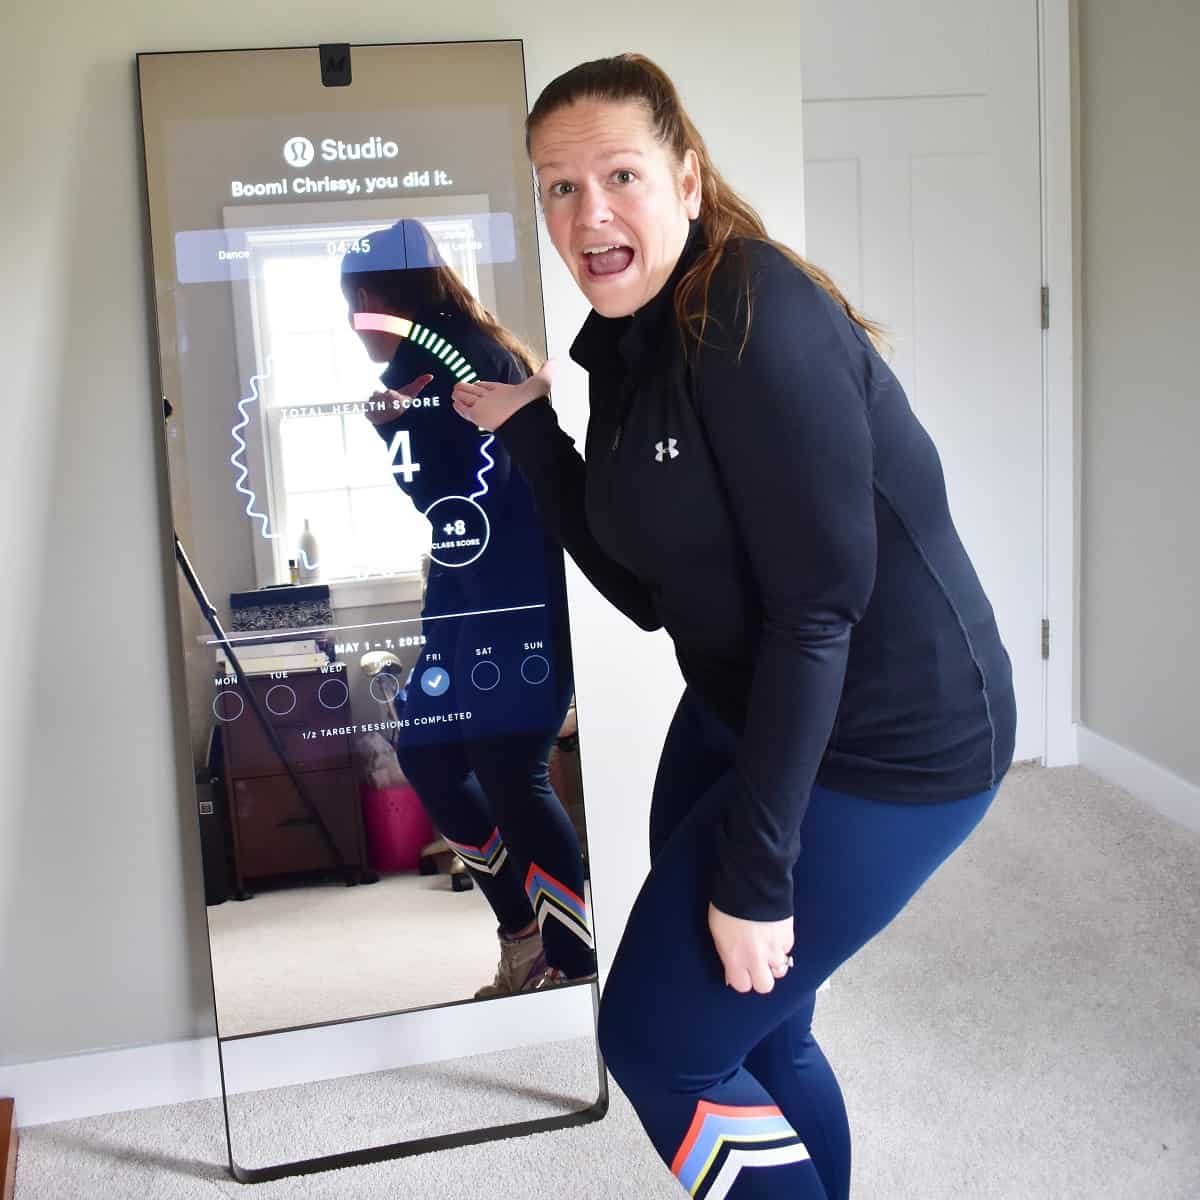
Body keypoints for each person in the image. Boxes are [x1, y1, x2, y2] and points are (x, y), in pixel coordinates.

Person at [450, 54, 1016, 1200]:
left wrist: (762, 874)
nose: (587, 212)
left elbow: (819, 613)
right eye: (558, 186)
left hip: (891, 737)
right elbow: (651, 591)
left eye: (619, 174)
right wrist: (537, 436)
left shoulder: (751, 311)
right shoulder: (633, 338)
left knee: (659, 1042)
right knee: (754, 1029)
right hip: (742, 699)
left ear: (689, 179)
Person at [341, 220, 596, 996]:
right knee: (433, 752)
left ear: (382, 298)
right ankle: (529, 938)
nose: (355, 328)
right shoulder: (462, 349)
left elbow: (460, 496)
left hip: (508, 594)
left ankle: (572, 961)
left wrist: (391, 431)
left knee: (509, 771)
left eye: (357, 307)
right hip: (474, 593)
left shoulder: (446, 360)